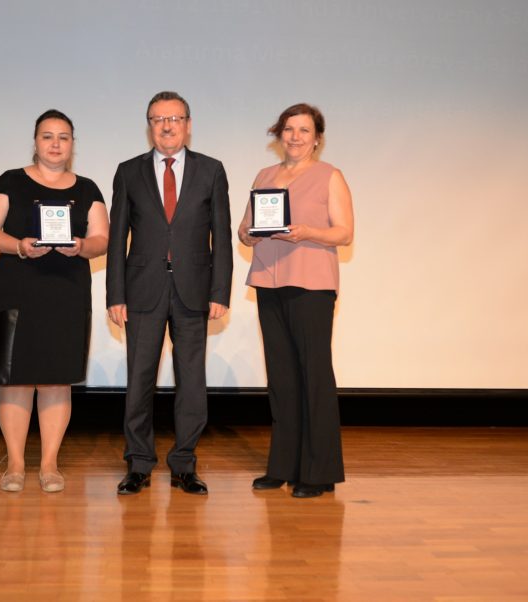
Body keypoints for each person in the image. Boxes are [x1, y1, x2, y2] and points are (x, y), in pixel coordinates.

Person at [0, 110, 109, 493]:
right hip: (16, 288)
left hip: (65, 292)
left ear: (72, 144)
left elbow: (103, 238)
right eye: (47, 136)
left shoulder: (87, 189)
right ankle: (15, 464)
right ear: (34, 142)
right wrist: (17, 245)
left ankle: (49, 464)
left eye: (63, 137)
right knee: (14, 380)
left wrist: (82, 246)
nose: (55, 144)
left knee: (56, 380)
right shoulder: (10, 181)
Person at [107, 91, 233, 495]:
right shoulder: (128, 172)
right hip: (142, 290)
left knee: (191, 381)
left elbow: (222, 237)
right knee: (139, 380)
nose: (167, 126)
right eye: (158, 119)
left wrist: (221, 290)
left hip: (194, 291)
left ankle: (184, 464)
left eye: (175, 118)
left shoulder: (212, 170)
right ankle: (139, 463)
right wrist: (115, 294)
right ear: (149, 126)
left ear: (188, 124)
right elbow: (117, 239)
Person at [237, 103, 354, 498]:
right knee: (282, 379)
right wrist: (250, 235)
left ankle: (319, 472)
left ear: (317, 137)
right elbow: (244, 229)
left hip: (311, 285)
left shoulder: (329, 176)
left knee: (314, 376)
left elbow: (344, 233)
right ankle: (282, 466)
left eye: (304, 130)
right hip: (270, 284)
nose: (296, 137)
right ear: (279, 134)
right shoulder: (265, 176)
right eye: (289, 129)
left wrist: (305, 231)